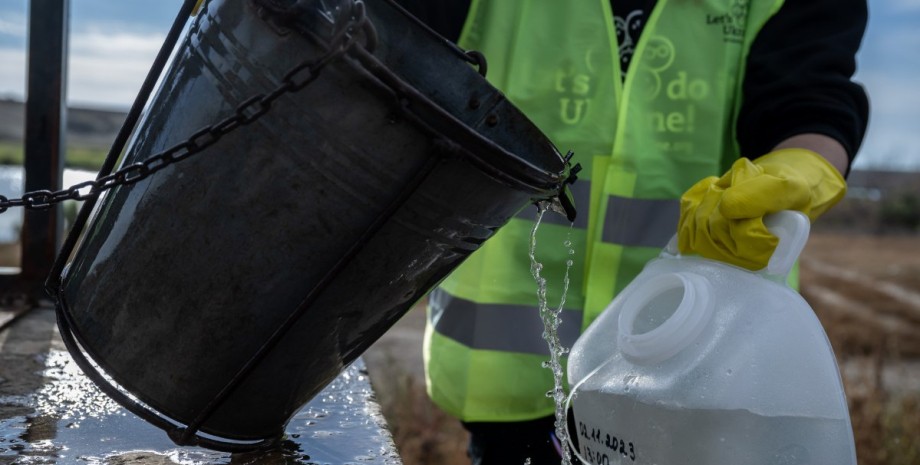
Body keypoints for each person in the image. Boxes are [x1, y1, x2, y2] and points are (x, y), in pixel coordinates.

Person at [393, 1, 869, 464]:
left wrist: (802, 164)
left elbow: (809, 97)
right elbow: (388, 49)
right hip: (511, 382)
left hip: (700, 380)